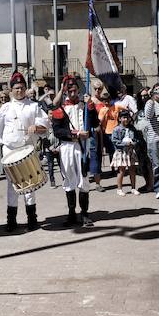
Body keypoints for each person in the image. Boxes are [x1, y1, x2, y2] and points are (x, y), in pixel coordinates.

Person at [0, 72, 49, 231]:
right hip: (10, 150)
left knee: (30, 184)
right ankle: (11, 221)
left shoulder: (34, 106)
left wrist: (36, 128)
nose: (19, 91)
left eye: (22, 88)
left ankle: (32, 219)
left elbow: (45, 127)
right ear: (11, 90)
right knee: (12, 186)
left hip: (27, 149)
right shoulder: (5, 108)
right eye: (16, 88)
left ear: (25, 88)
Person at [52, 76, 97, 227]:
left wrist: (90, 106)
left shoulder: (85, 106)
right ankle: (72, 214)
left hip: (83, 146)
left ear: (78, 90)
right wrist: (76, 134)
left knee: (84, 180)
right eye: (69, 90)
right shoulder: (60, 109)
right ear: (65, 91)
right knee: (69, 179)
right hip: (67, 147)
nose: (72, 93)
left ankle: (84, 214)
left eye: (74, 90)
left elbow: (95, 123)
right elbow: (58, 131)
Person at [110, 110, 140, 195]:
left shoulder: (132, 128)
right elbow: (114, 141)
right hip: (121, 152)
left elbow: (136, 139)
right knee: (121, 170)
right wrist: (124, 144)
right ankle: (119, 189)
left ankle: (133, 188)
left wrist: (133, 143)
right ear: (119, 119)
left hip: (130, 151)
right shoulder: (117, 129)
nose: (126, 119)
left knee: (132, 170)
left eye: (127, 117)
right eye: (124, 117)